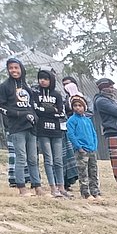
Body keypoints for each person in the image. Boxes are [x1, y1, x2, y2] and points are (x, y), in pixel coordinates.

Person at [2, 57, 43, 196]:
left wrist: (34, 117)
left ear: (21, 69)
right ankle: (22, 188)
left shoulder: (26, 87)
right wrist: (19, 113)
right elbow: (2, 106)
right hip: (16, 128)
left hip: (30, 127)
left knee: (33, 158)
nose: (14, 70)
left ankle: (37, 187)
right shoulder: (5, 86)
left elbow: (32, 106)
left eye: (16, 67)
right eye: (11, 68)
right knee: (21, 157)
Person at [32, 68, 68, 198]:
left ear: (51, 80)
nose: (42, 81)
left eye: (46, 78)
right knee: (49, 160)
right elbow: (36, 110)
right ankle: (53, 188)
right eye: (40, 78)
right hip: (42, 130)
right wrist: (52, 110)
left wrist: (47, 110)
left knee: (58, 160)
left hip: (57, 130)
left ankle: (61, 187)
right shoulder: (35, 94)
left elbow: (61, 112)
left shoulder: (57, 94)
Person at [66, 94, 101, 201]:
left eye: (80, 105)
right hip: (81, 150)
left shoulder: (88, 120)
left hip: (91, 149)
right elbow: (71, 135)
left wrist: (94, 145)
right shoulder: (71, 120)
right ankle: (85, 193)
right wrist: (78, 146)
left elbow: (94, 133)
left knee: (93, 172)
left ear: (84, 107)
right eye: (75, 105)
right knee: (83, 172)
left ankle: (95, 192)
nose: (77, 107)